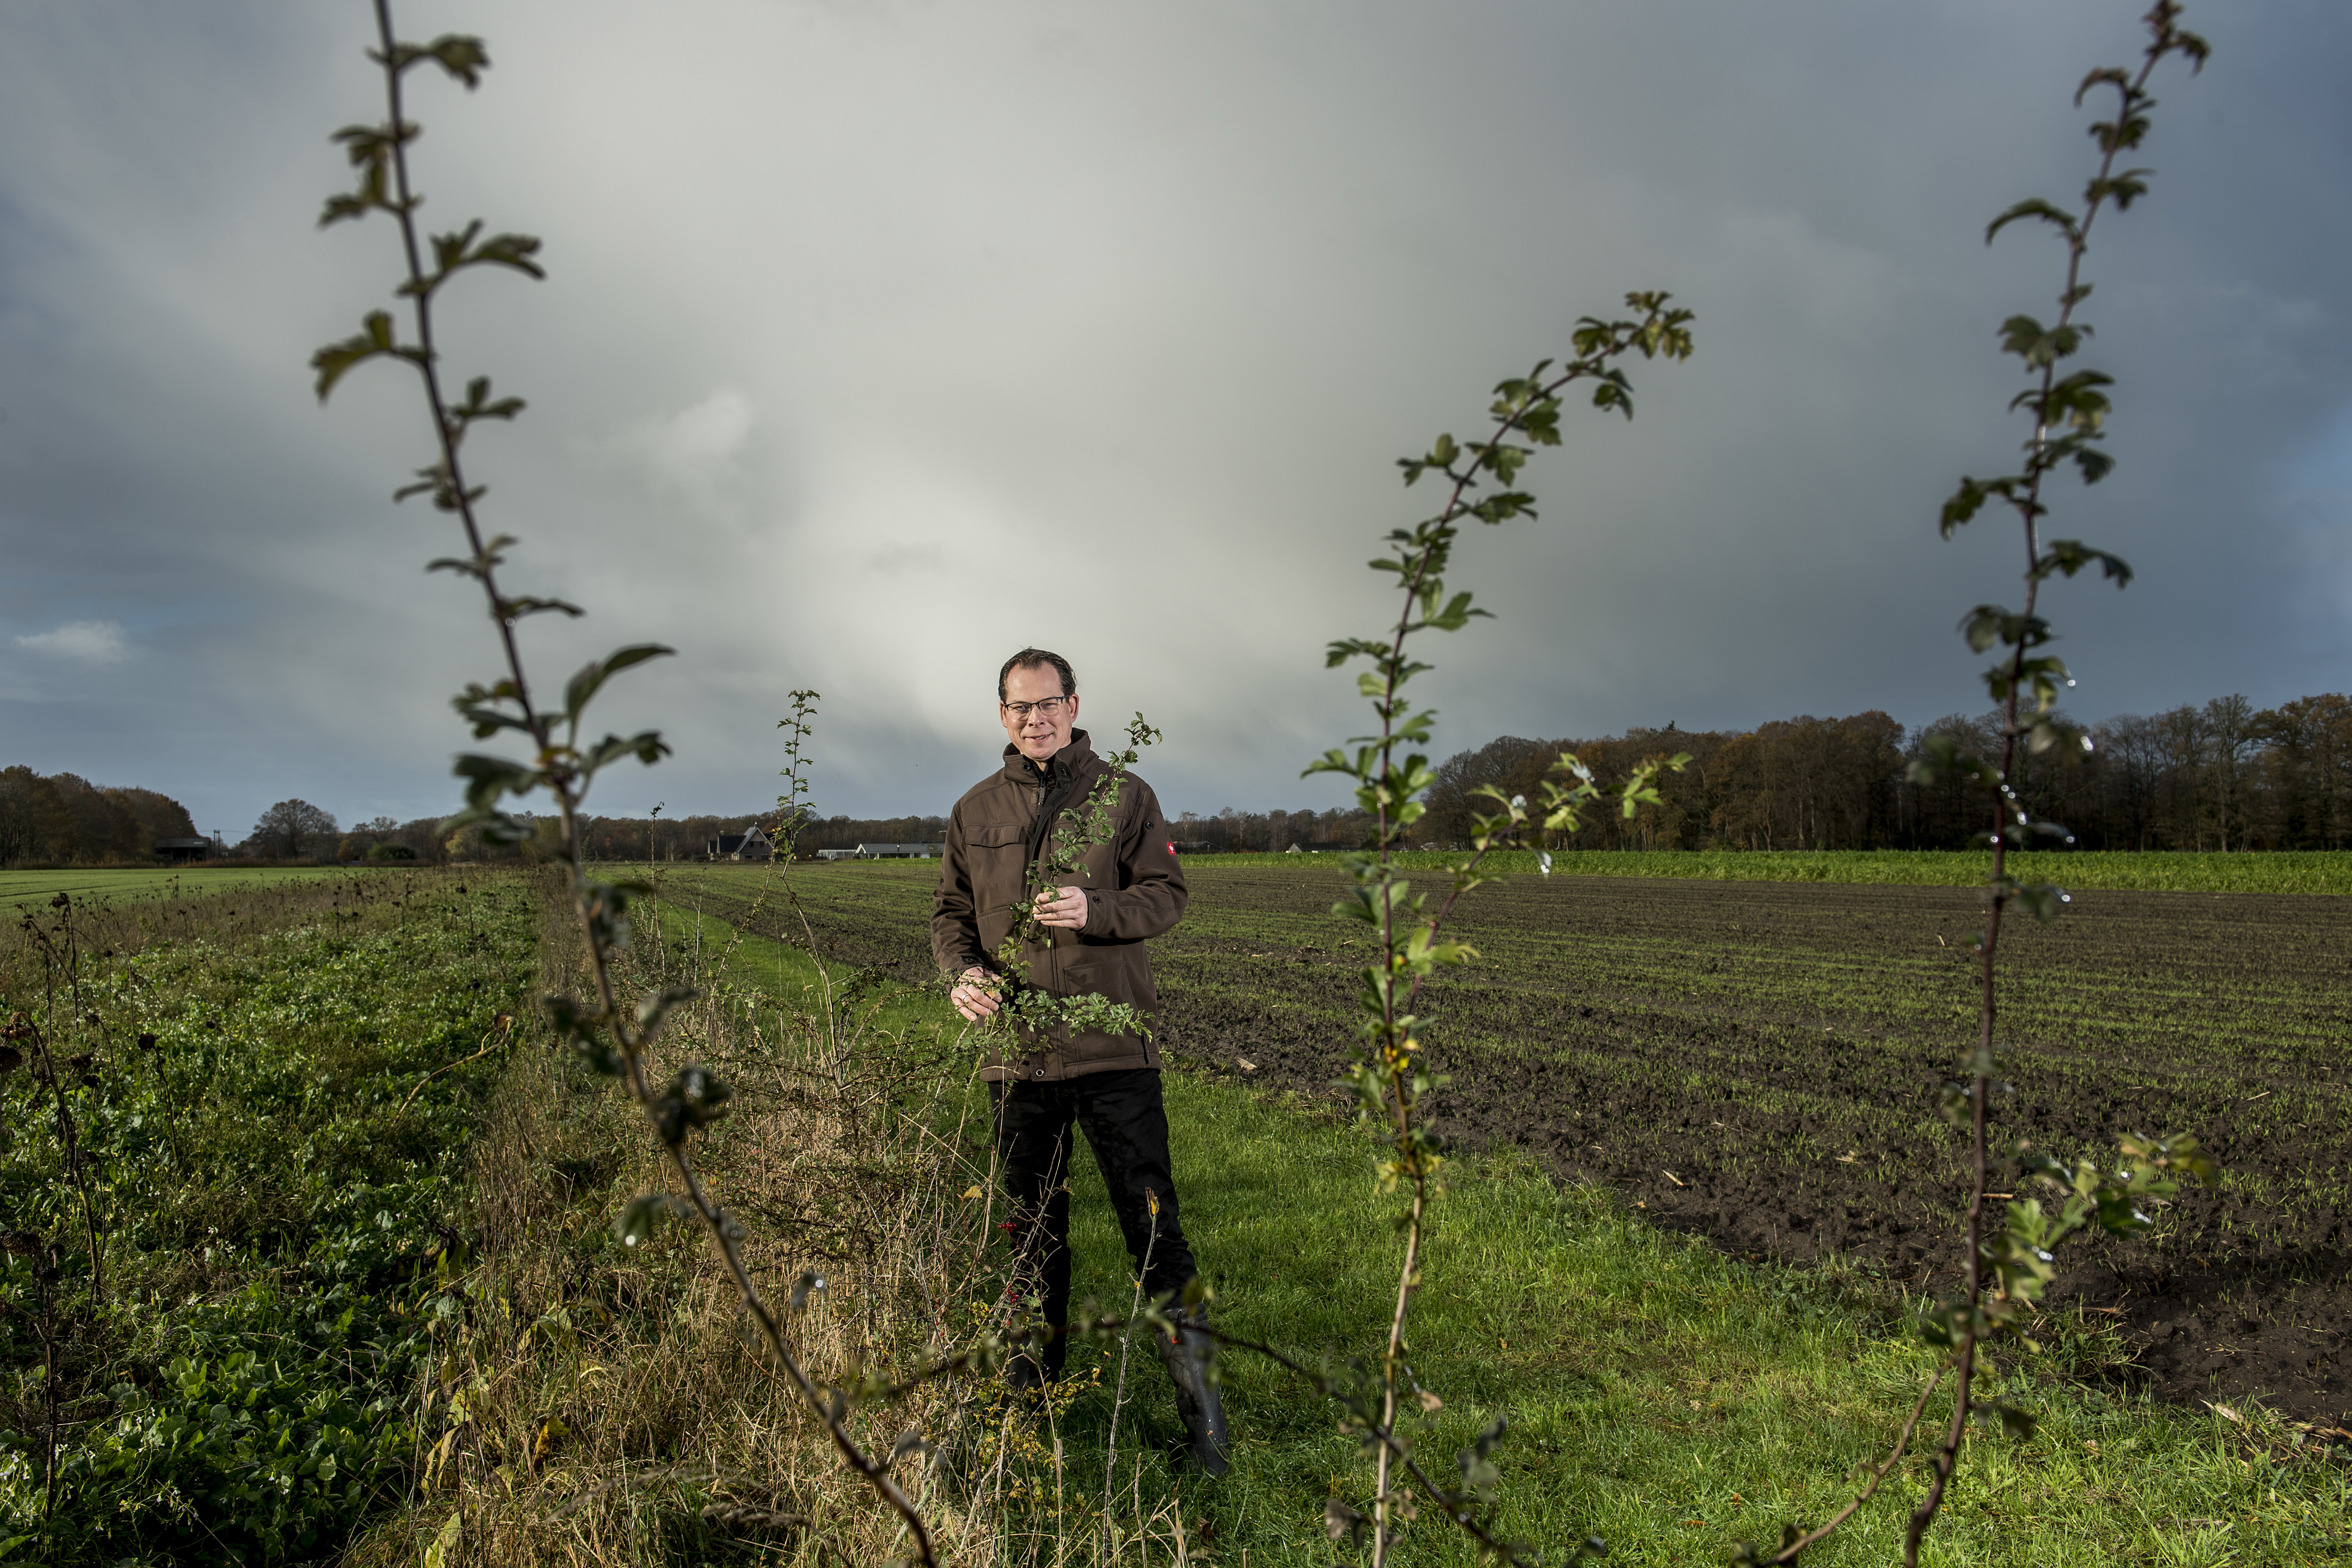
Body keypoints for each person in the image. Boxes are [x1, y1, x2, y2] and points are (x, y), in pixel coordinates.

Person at [932, 647, 1229, 1475]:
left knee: (1154, 1229)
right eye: (1020, 706)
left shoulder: (1124, 796)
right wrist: (960, 971)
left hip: (1112, 1053)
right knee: (1029, 1236)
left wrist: (1097, 907)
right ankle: (1031, 1411)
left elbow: (1168, 895)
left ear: (1074, 704)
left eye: (1049, 703)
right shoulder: (974, 809)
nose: (1037, 718)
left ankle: (1205, 1428)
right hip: (1017, 1061)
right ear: (1002, 715)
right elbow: (951, 912)